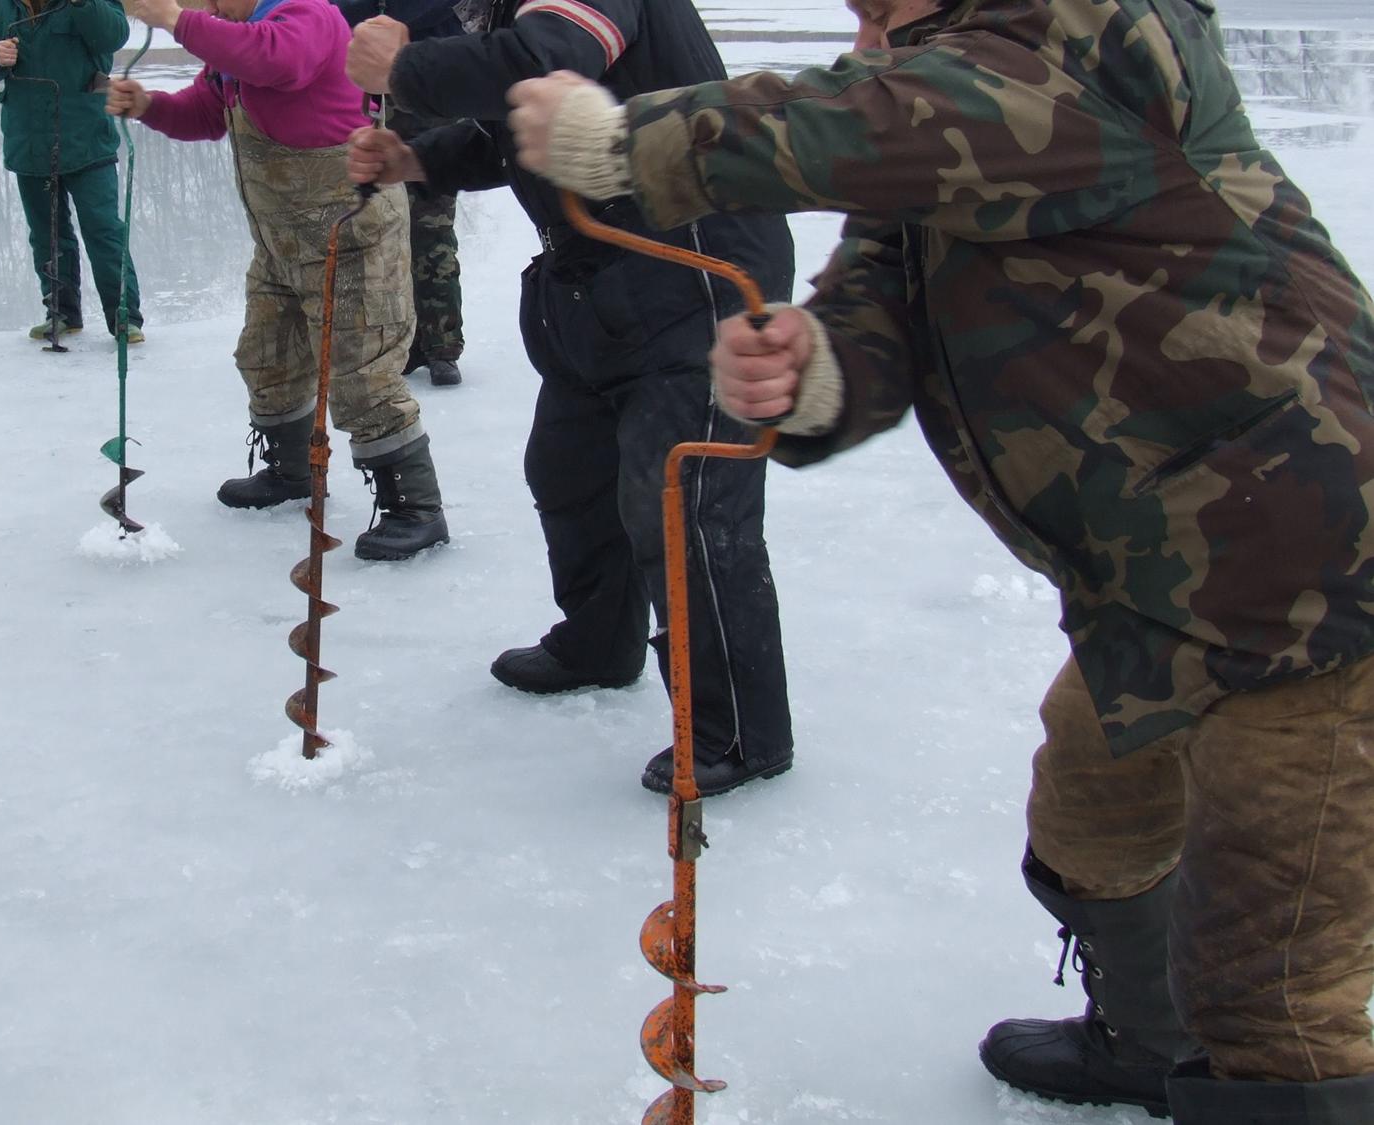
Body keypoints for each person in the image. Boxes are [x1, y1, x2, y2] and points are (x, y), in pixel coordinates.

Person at [507, 0, 1374, 1119]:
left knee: (1273, 977)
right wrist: (814, 369)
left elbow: (902, 119)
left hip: (1313, 572)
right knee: (1088, 823)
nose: (864, 25)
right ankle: (1141, 1044)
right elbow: (881, 288)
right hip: (1155, 581)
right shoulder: (939, 91)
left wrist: (635, 144)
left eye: (883, 7)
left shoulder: (1089, 43)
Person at [343, 0, 797, 795]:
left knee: (682, 501)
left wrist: (406, 69)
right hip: (603, 284)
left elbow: (545, 59)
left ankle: (744, 733)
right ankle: (598, 643)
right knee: (568, 471)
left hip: (697, 271)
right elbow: (517, 127)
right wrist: (417, 159)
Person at [108, 0, 448, 562]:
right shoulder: (236, 38)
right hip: (281, 241)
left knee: (361, 371)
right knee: (267, 355)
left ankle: (415, 506)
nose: (208, 4)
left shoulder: (307, 16)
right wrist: (149, 105)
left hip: (350, 231)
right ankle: (289, 471)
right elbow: (205, 111)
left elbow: (274, 61)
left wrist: (175, 20)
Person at [0, 0, 145, 345]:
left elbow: (114, 34)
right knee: (47, 235)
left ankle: (124, 317)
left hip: (86, 138)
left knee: (104, 231)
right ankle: (62, 314)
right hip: (29, 140)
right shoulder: (3, 6)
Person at [335, 0, 466, 387]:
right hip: (370, 100)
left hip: (431, 92)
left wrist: (387, 21)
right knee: (380, 231)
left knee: (432, 228)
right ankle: (405, 343)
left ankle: (442, 346)